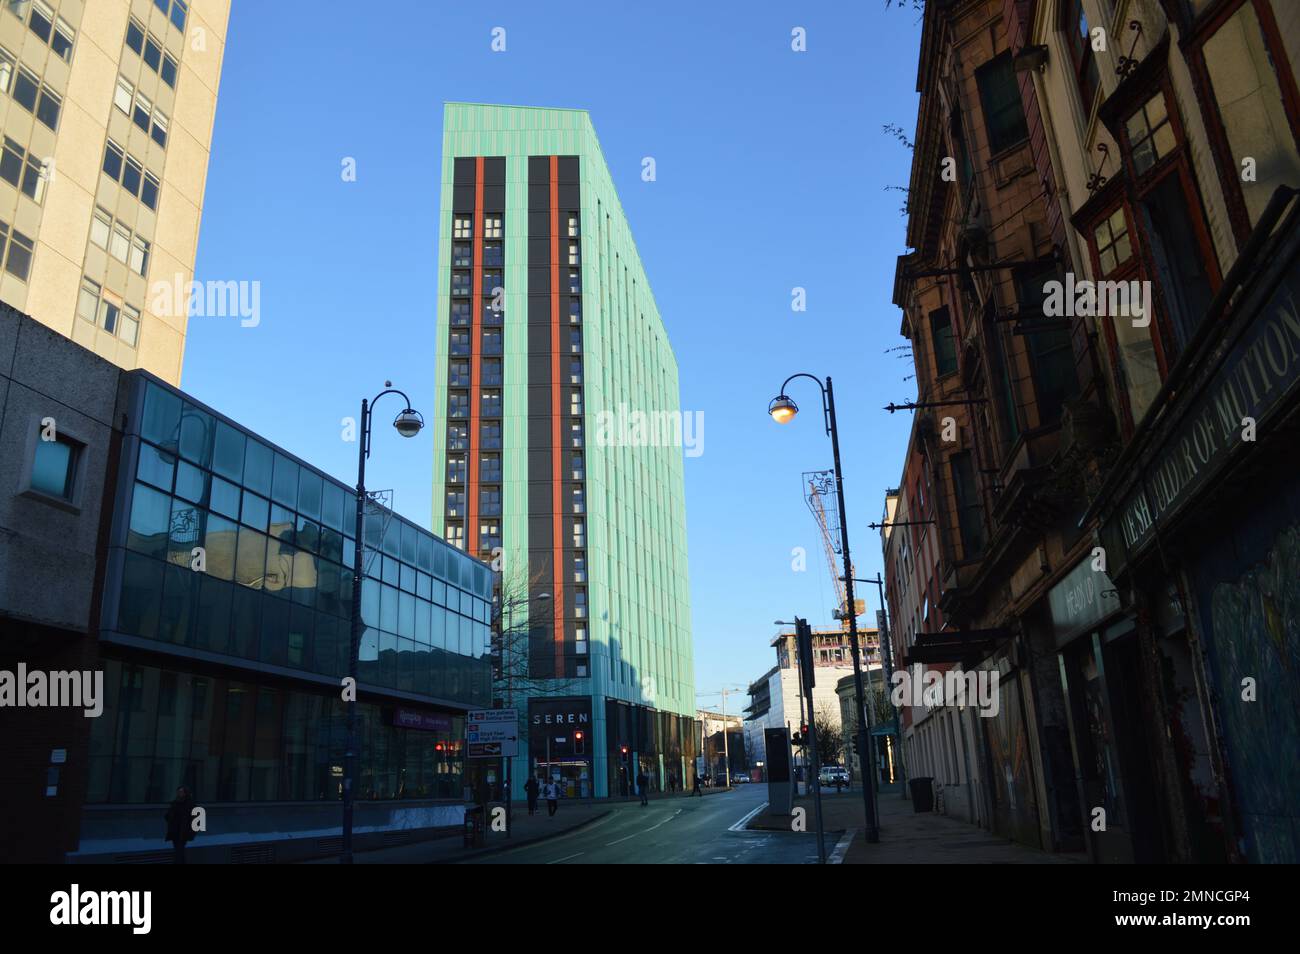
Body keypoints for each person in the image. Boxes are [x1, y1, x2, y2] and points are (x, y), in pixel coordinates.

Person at [165, 786, 196, 864]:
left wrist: (191, 831)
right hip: (175, 831)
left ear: (185, 793)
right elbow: (168, 815)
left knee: (179, 851)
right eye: (178, 791)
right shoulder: (175, 803)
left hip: (183, 832)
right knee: (179, 851)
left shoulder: (190, 805)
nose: (179, 793)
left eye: (181, 792)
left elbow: (194, 819)